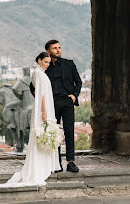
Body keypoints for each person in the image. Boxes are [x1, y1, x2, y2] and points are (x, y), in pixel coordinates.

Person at [0, 52, 61, 188]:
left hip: (45, 106)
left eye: (49, 62)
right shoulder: (37, 73)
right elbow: (40, 94)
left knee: (44, 135)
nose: (48, 65)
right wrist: (44, 111)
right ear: (39, 60)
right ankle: (39, 167)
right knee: (42, 134)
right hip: (43, 108)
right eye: (45, 62)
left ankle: (43, 164)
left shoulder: (40, 72)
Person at [40, 39, 82, 173]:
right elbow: (34, 86)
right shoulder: (45, 67)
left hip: (67, 101)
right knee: (54, 133)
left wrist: (74, 95)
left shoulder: (69, 64)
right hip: (52, 103)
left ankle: (71, 162)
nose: (58, 50)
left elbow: (79, 82)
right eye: (54, 48)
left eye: (59, 47)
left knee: (69, 131)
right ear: (48, 51)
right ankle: (56, 163)